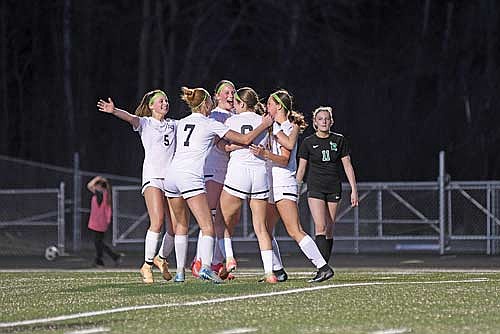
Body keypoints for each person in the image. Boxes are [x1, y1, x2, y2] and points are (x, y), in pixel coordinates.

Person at [165, 86, 273, 283]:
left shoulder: (181, 123)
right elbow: (246, 138)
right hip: (191, 176)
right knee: (209, 227)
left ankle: (180, 273)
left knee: (181, 224)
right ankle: (205, 267)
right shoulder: (210, 123)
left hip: (171, 175)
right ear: (207, 103)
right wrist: (264, 124)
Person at [250, 90, 334, 283]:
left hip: (284, 183)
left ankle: (323, 267)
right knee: (264, 229)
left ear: (279, 106)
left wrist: (265, 153)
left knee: (294, 230)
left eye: (270, 104)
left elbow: (285, 157)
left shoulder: (290, 126)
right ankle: (277, 270)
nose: (267, 108)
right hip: (271, 184)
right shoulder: (272, 126)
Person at [97, 90, 178, 283]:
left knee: (175, 227)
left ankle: (162, 258)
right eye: (160, 101)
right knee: (157, 221)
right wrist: (114, 110)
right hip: (153, 178)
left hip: (172, 179)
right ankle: (147, 265)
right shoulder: (146, 123)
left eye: (166, 100)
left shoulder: (174, 124)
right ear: (151, 106)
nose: (165, 103)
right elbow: (131, 118)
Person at [217, 87, 277, 283]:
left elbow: (221, 146)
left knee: (221, 221)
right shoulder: (263, 120)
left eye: (235, 102)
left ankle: (229, 258)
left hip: (238, 172)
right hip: (259, 173)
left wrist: (234, 146)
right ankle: (269, 272)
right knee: (261, 227)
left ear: (242, 104)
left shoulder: (231, 120)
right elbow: (266, 147)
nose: (233, 105)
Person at [296, 106, 359, 266]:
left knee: (330, 227)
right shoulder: (308, 142)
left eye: (326, 119)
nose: (324, 121)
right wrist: (295, 190)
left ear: (331, 121)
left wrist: (354, 189)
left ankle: (324, 264)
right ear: (315, 123)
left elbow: (347, 166)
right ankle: (321, 267)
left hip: (333, 187)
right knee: (320, 225)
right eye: (320, 119)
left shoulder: (339, 140)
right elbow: (302, 168)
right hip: (315, 187)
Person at [191, 80, 237, 278]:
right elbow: (220, 145)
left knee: (224, 220)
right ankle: (199, 261)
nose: (230, 95)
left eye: (233, 92)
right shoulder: (214, 116)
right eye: (226, 92)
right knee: (209, 218)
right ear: (217, 96)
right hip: (212, 170)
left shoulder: (236, 115)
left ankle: (217, 262)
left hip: (230, 171)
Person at [87, 176, 122, 267]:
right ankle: (99, 260)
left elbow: (89, 185)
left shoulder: (103, 194)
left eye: (97, 185)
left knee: (98, 243)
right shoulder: (104, 194)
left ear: (100, 186)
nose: (95, 187)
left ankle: (114, 257)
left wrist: (98, 178)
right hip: (98, 222)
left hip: (99, 222)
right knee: (98, 243)